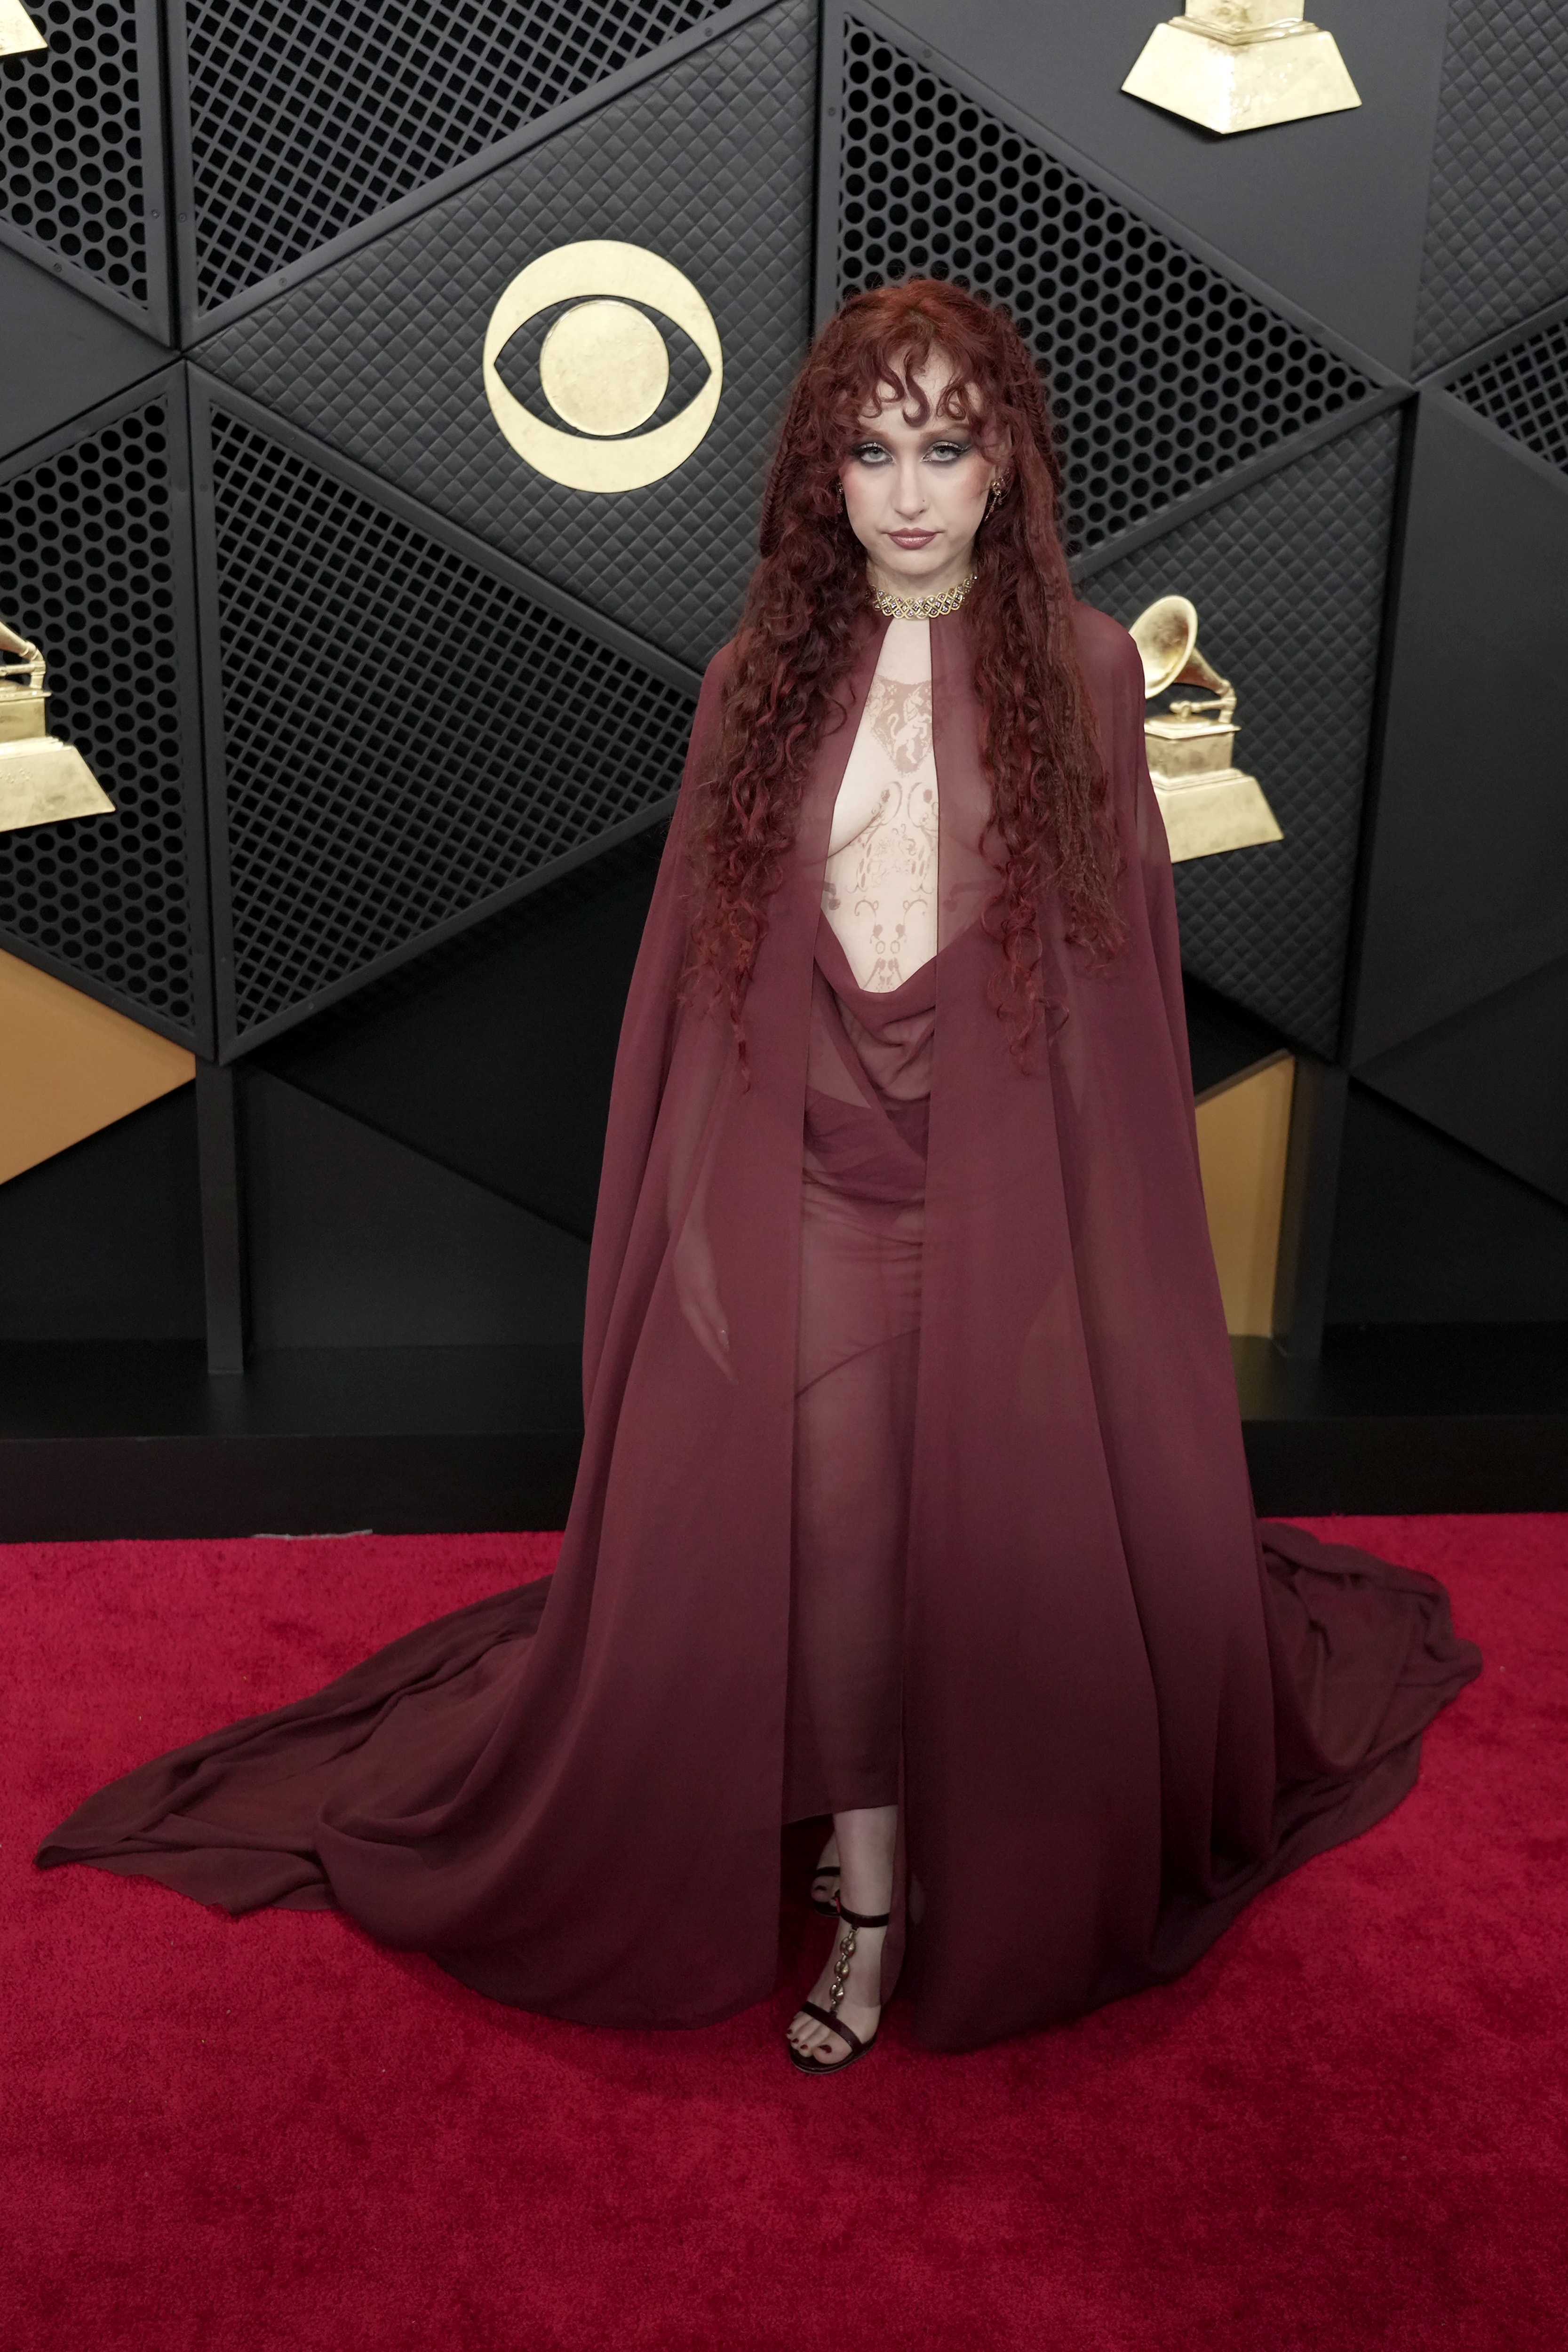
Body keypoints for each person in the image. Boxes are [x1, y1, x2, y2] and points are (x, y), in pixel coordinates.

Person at [37, 280, 1479, 2073]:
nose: (910, 490)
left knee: (986, 1548)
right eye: (873, 450)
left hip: (1003, 1191)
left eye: (947, 447)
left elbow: (1115, 990)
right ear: (823, 476)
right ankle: (870, 1893)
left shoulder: (1095, 673)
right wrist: (700, 1230)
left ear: (1008, 463)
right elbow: (711, 976)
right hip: (816, 1186)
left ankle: (989, 1838)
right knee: (840, 1533)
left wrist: (1095, 1262)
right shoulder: (757, 683)